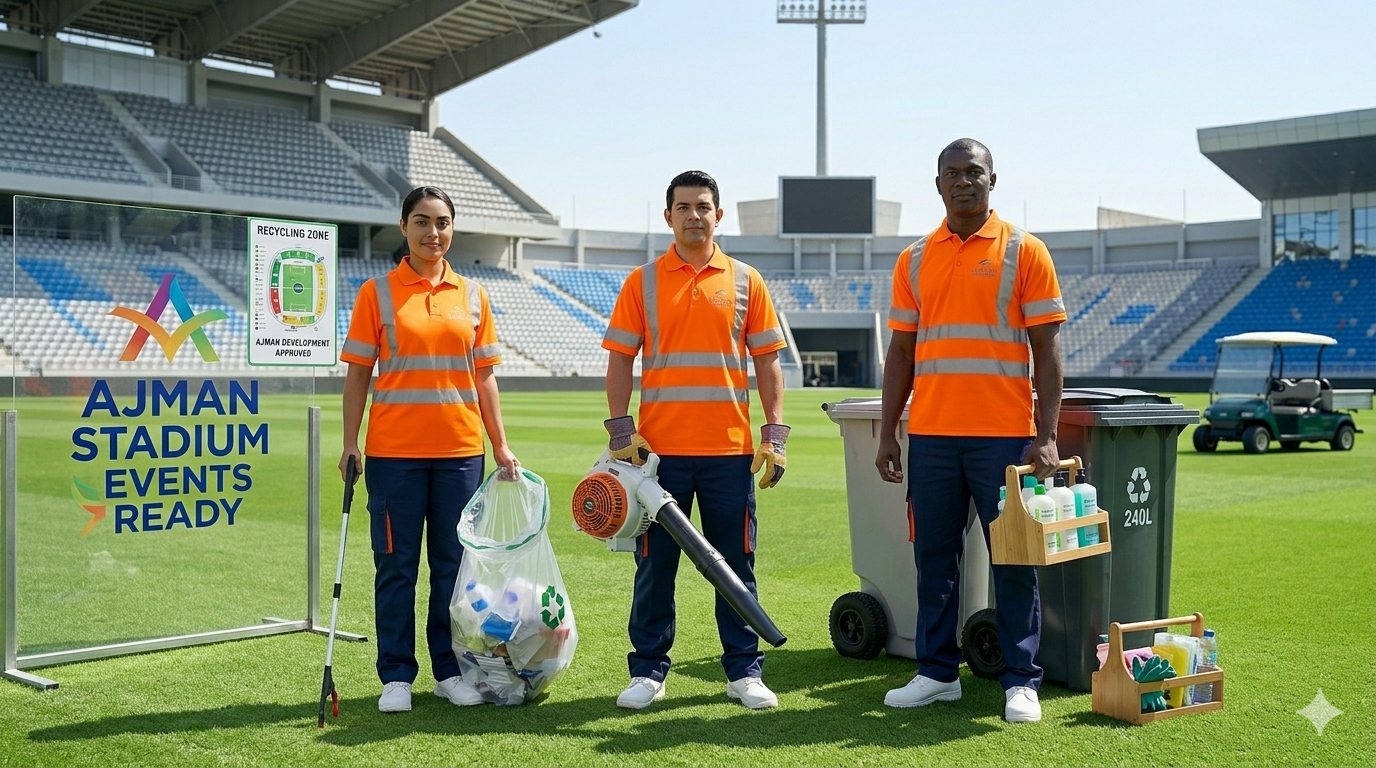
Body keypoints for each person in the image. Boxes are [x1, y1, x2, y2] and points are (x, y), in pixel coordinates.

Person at [875, 139, 1066, 723]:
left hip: (1004, 438)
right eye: (952, 173)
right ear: (938, 184)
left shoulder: (1025, 250)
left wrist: (1046, 434)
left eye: (973, 172)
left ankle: (1021, 681)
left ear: (992, 180)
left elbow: (1047, 349)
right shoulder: (913, 259)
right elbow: (900, 353)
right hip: (932, 437)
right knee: (933, 559)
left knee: (1014, 559)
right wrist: (887, 434)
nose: (963, 181)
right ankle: (937, 674)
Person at [601, 170, 790, 711]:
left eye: (703, 206)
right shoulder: (642, 282)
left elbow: (767, 361)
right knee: (654, 567)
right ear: (668, 216)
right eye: (683, 207)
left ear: (718, 215)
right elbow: (620, 358)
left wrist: (775, 434)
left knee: (736, 566)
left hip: (729, 453)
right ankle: (648, 671)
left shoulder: (746, 280)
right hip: (657, 458)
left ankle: (744, 672)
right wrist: (621, 428)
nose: (693, 216)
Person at [339, 186, 521, 714]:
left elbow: (484, 377)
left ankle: (448, 671)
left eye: (442, 222)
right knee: (396, 568)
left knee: (452, 569)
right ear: (403, 227)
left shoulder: (473, 295)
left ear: (452, 228)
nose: (432, 232)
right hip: (393, 454)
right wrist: (350, 442)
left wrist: (500, 444)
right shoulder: (376, 293)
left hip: (460, 454)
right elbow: (358, 375)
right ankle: (396, 676)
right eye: (421, 221)